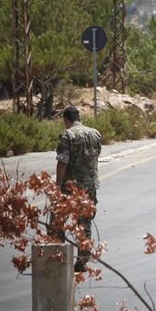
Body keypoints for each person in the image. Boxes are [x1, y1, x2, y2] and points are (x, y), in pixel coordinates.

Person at [55, 106, 102, 272]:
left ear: (66, 120)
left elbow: (62, 162)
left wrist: (57, 185)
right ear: (79, 117)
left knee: (58, 219)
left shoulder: (67, 135)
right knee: (85, 222)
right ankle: (82, 259)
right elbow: (96, 157)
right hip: (89, 186)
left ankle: (57, 255)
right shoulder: (95, 133)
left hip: (70, 186)